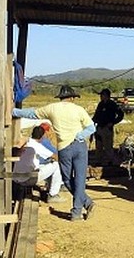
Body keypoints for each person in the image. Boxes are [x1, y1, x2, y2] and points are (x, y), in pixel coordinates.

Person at [12, 85, 96, 222]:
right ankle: (77, 211)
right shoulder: (79, 109)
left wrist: (15, 112)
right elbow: (91, 128)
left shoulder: (52, 108)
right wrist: (79, 136)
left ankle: (86, 203)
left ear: (61, 97)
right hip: (80, 146)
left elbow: (32, 113)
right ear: (73, 98)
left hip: (64, 148)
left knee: (68, 179)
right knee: (80, 179)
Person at [13, 125, 65, 203]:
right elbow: (55, 157)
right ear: (42, 136)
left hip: (16, 177)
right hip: (27, 179)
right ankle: (53, 194)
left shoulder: (28, 142)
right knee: (56, 165)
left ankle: (49, 187)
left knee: (45, 166)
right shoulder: (36, 145)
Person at [92, 88, 123, 164]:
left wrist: (113, 122)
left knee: (108, 146)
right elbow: (96, 115)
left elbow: (121, 114)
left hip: (107, 128)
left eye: (102, 95)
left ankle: (111, 161)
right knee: (98, 146)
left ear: (106, 96)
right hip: (99, 128)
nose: (101, 97)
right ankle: (99, 161)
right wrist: (92, 123)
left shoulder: (112, 104)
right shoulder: (100, 104)